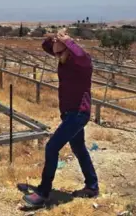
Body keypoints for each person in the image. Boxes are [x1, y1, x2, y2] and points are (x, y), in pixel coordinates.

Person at [23, 29, 99, 207]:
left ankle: (43, 193)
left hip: (78, 114)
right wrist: (54, 37)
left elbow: (80, 55)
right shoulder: (63, 59)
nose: (56, 56)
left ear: (69, 48)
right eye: (55, 53)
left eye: (60, 52)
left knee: (51, 147)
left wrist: (69, 40)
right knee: (79, 148)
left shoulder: (82, 62)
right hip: (69, 114)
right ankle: (92, 186)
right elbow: (45, 46)